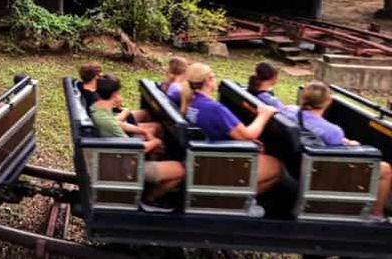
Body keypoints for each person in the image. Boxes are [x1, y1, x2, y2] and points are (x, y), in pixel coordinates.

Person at [181, 62, 282, 194]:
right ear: (208, 80)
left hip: (205, 159)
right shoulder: (214, 109)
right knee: (277, 166)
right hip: (219, 163)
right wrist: (264, 115)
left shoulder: (192, 103)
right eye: (213, 76)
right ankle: (237, 201)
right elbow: (248, 135)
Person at [90, 74, 185, 213]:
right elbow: (133, 150)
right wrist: (155, 142)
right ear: (115, 94)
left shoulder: (97, 108)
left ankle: (159, 173)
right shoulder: (106, 122)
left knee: (153, 131)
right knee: (182, 170)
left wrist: (143, 131)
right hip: (124, 166)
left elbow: (117, 123)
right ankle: (150, 199)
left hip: (117, 157)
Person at [294, 82, 391, 218]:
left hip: (298, 163)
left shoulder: (290, 111)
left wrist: (344, 142)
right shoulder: (333, 131)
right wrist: (355, 146)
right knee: (385, 169)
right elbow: (342, 157)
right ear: (329, 101)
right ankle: (377, 214)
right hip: (325, 173)